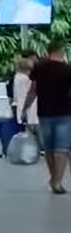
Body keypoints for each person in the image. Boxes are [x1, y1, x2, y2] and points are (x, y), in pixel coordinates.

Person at [20, 40, 71, 194]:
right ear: (61, 51)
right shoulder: (68, 69)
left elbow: (33, 90)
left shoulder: (40, 67)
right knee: (61, 149)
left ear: (48, 51)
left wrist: (25, 108)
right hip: (64, 113)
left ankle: (53, 177)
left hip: (44, 113)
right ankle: (57, 182)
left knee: (49, 149)